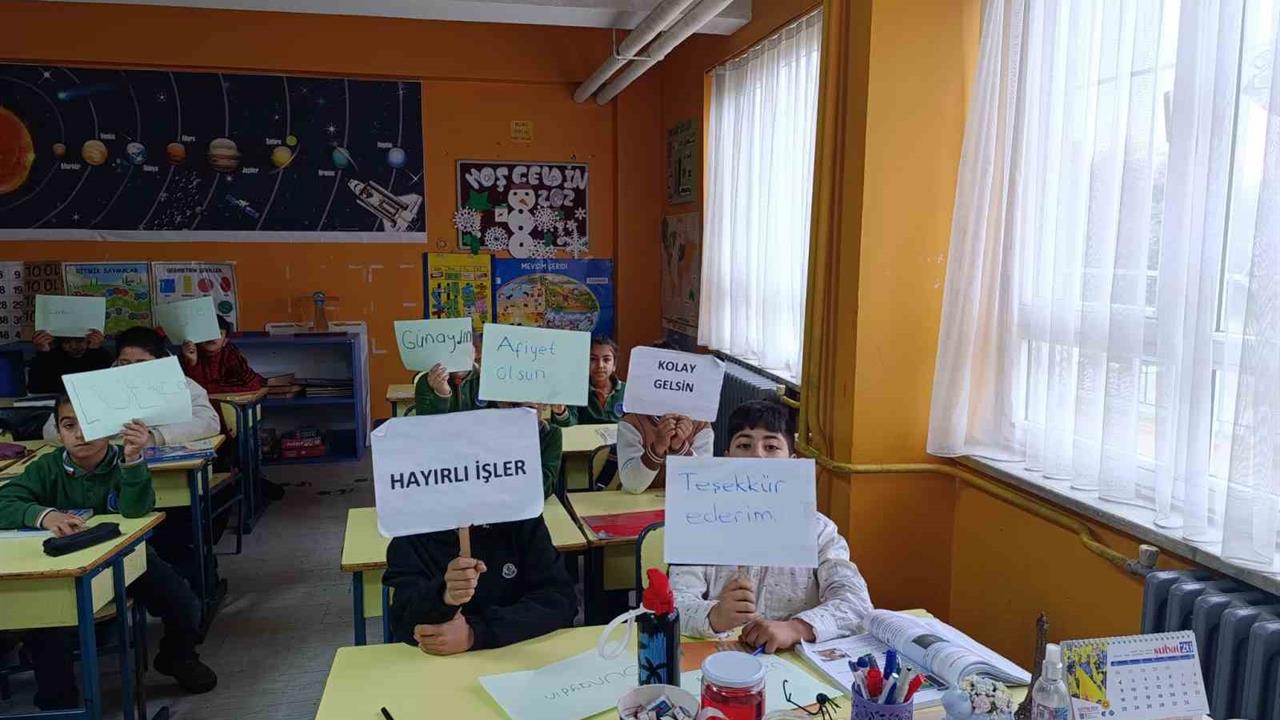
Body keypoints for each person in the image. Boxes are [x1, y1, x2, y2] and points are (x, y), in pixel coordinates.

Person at [0, 397, 216, 709]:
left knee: (184, 603)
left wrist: (133, 460)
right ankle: (58, 701)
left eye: (89, 425)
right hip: (65, 567)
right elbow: (5, 501)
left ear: (109, 428)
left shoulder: (124, 461)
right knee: (46, 623)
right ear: (59, 432)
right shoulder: (46, 467)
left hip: (126, 557)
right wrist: (44, 515)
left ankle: (177, 657)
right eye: (69, 425)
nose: (79, 434)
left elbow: (136, 510)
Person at [670, 399, 873, 652]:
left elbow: (856, 603)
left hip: (796, 660)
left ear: (792, 461)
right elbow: (674, 602)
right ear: (726, 458)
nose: (757, 455)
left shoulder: (819, 532)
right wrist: (714, 616)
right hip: (718, 657)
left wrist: (797, 628)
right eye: (744, 445)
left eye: (771, 446)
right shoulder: (698, 525)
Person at [383, 517, 577, 654]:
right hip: (439, 669)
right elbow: (404, 624)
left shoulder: (522, 519)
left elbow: (559, 600)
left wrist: (475, 633)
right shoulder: (410, 535)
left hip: (520, 656)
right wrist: (444, 596)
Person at [42, 326, 221, 446]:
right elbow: (51, 429)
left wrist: (155, 437)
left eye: (142, 363)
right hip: (108, 462)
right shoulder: (96, 385)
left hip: (167, 460)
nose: (132, 370)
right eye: (125, 363)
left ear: (159, 360)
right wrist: (96, 438)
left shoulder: (182, 384)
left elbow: (209, 421)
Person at [550, 336, 626, 427]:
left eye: (606, 360)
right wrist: (561, 412)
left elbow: (633, 423)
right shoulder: (575, 390)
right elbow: (570, 424)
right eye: (592, 359)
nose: (600, 365)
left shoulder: (627, 391)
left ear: (614, 365)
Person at [179, 316, 265, 394]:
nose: (212, 337)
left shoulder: (230, 354)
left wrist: (206, 388)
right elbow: (183, 389)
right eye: (207, 333)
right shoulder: (188, 352)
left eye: (219, 334)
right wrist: (192, 363)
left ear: (225, 341)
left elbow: (251, 384)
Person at [415, 333, 484, 415]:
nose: (456, 356)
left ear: (476, 351)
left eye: (463, 349)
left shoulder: (485, 378)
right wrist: (442, 394)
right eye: (449, 349)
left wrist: (499, 403)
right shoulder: (426, 382)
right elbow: (423, 420)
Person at [26, 329, 112, 394]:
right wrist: (44, 354)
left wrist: (94, 352)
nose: (73, 346)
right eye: (66, 342)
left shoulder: (102, 356)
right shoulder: (51, 357)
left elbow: (103, 387)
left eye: (79, 341)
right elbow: (37, 389)